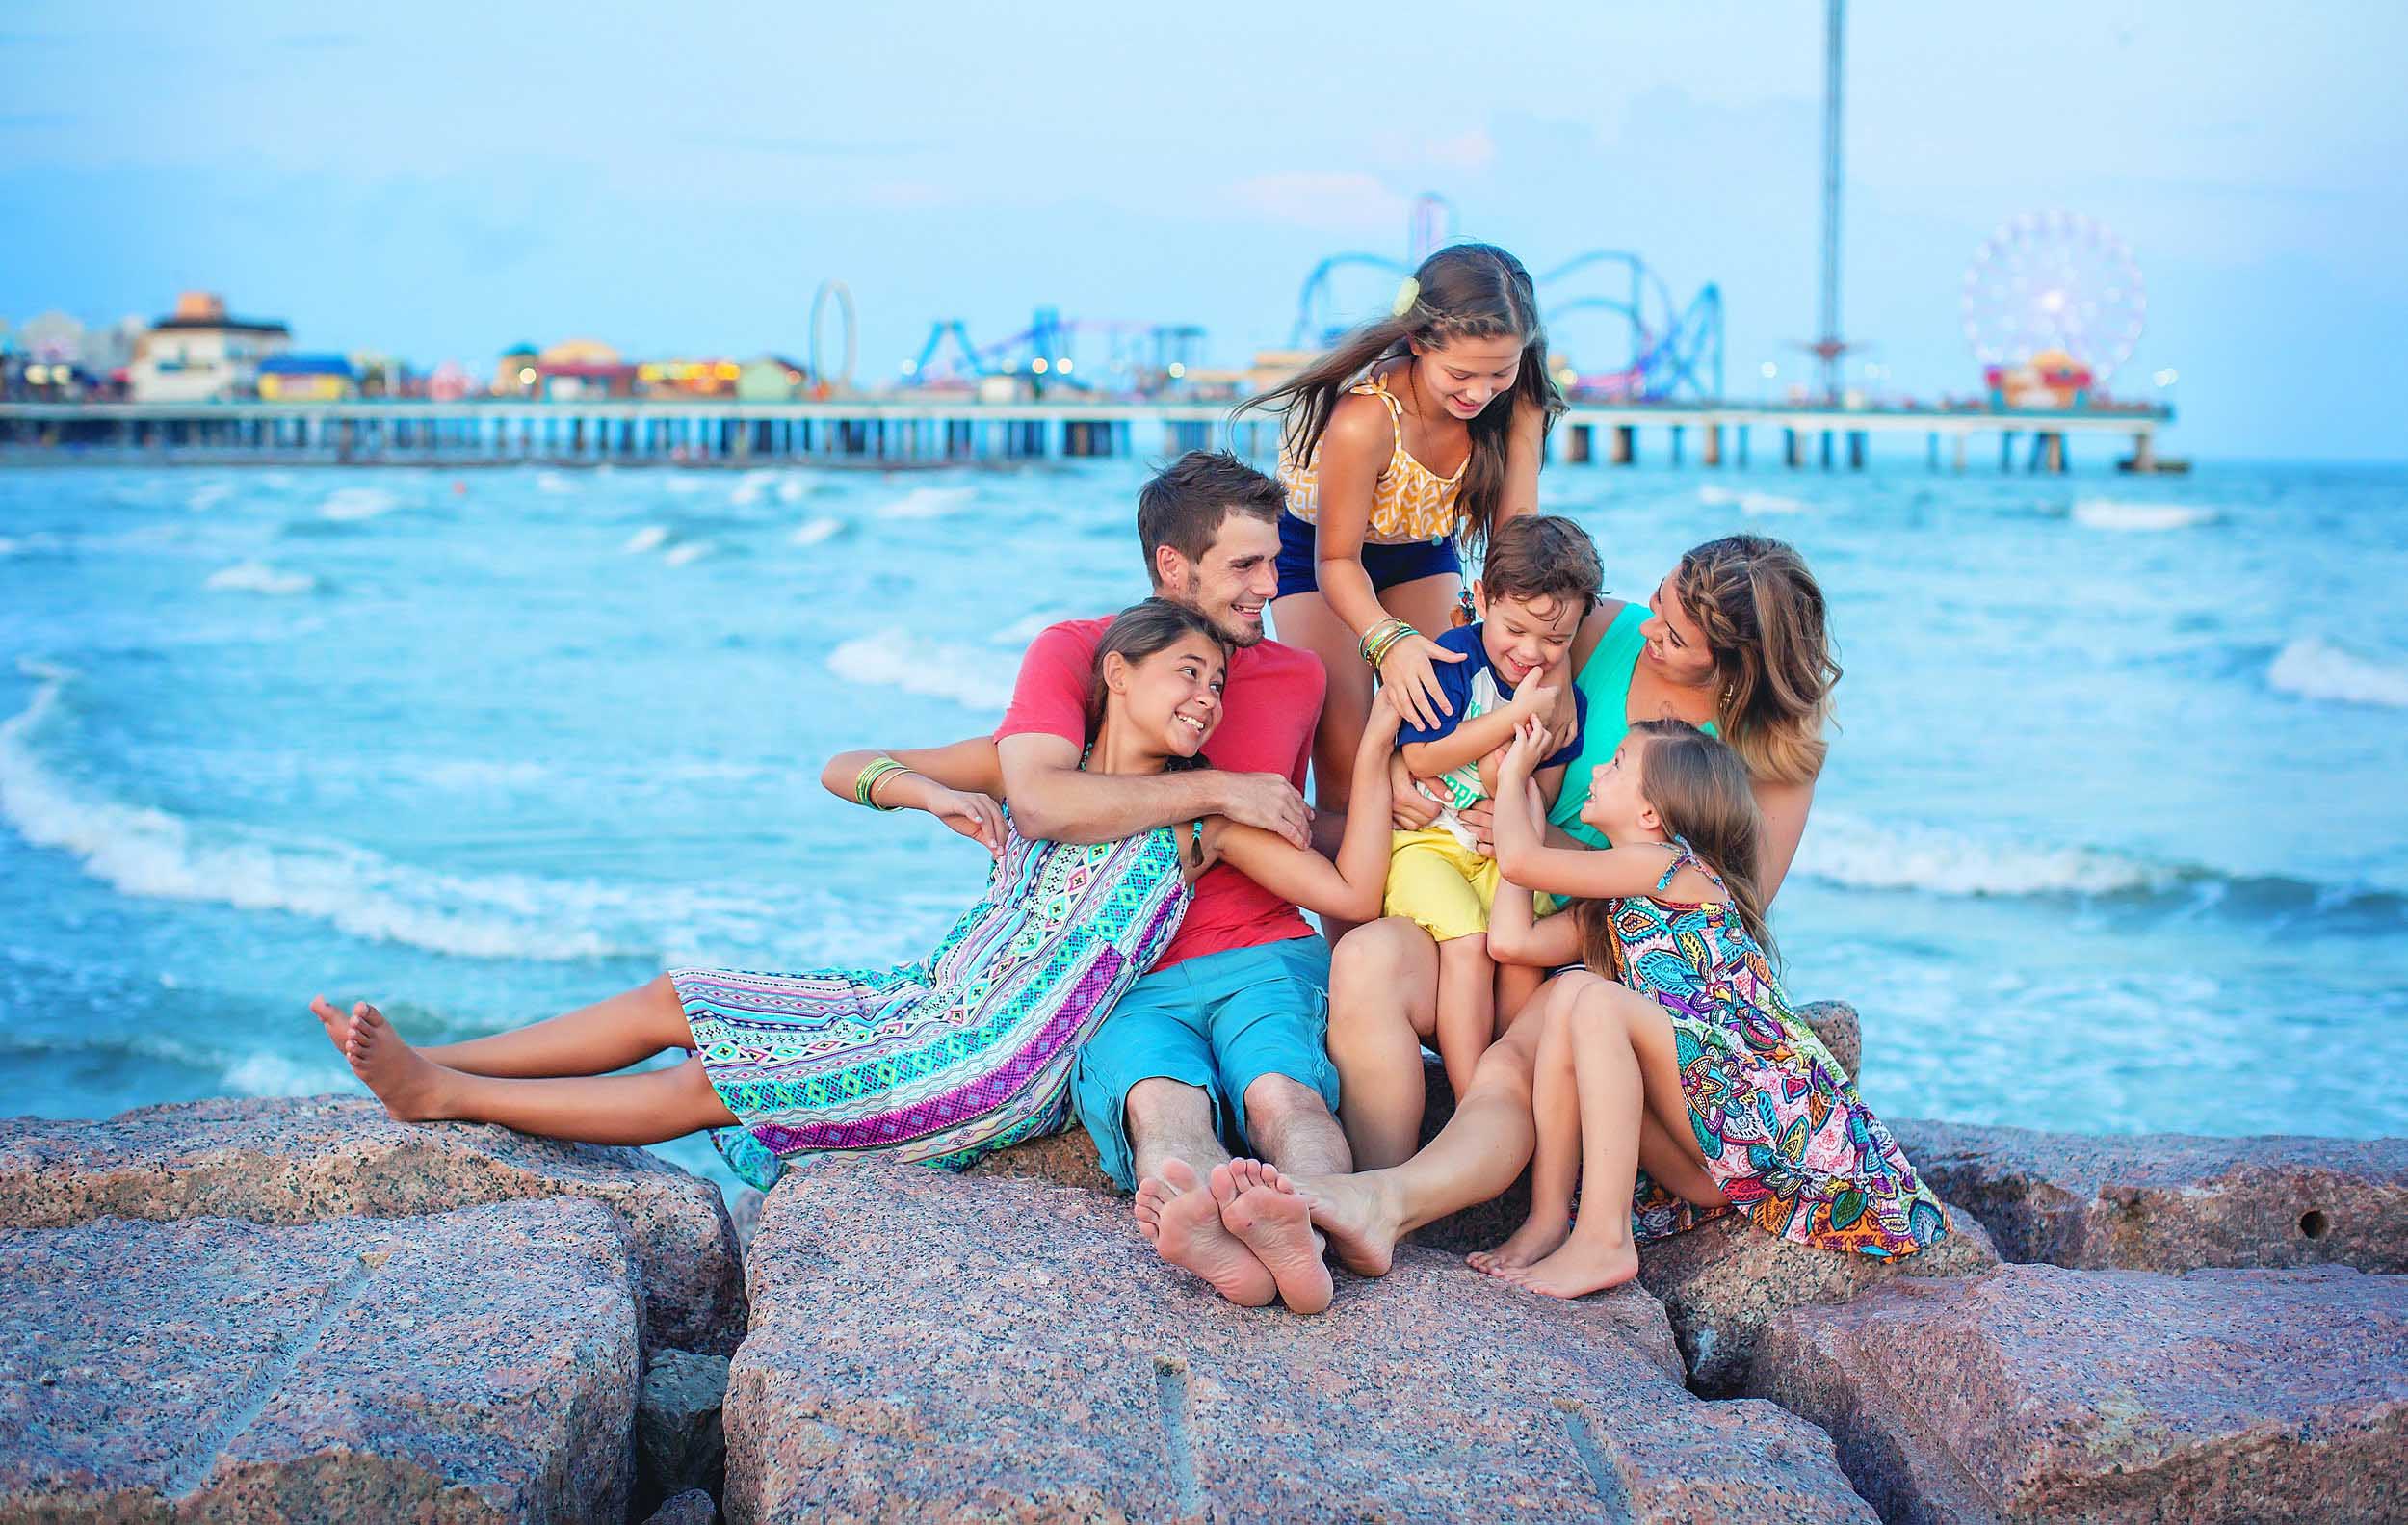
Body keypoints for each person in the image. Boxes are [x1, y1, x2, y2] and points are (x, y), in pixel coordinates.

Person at [303, 600, 1294, 1185]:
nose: (1206, 699)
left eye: (1218, 685)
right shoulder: (1036, 766)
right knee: (673, 999)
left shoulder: (1192, 814)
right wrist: (928, 790)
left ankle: (440, 1092)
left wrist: (1404, 776)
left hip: (993, 1054)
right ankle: (435, 1060)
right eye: (1188, 673)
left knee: (709, 1088)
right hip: (923, 998)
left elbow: (1328, 857)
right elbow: (843, 763)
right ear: (1115, 674)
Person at [842, 451, 1374, 1315]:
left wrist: (1440, 817)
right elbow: (1042, 799)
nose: (1272, 587)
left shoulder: (1300, 675)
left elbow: (1319, 822)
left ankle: (1305, 1231)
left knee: (1287, 1093)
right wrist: (1215, 789)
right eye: (1246, 565)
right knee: (1162, 1105)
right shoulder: (1086, 655)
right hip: (1124, 975)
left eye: (1275, 562)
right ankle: (1211, 1232)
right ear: (1174, 565)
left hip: (1266, 952)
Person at [1327, 533, 1842, 1170]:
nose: (1649, 626)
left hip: (1592, 945)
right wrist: (1405, 772)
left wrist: (1541, 846)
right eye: (1658, 600)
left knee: (1534, 1031)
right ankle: (1373, 1200)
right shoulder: (1590, 629)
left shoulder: (1777, 754)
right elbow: (1478, 652)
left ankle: (1460, 1187)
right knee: (1366, 960)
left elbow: (1719, 915)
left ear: (1740, 667)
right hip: (1479, 882)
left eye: (1676, 638)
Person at [1461, 718, 1946, 1297]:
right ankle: (1547, 1222)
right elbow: (1512, 942)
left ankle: (1602, 1241)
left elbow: (1519, 863)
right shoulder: (1619, 900)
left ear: (1651, 815)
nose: (1597, 770)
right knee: (1571, 992)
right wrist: (1527, 823)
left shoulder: (1671, 865)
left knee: (1592, 1001)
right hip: (1701, 1167)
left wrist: (1516, 777)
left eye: (1616, 764)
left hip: (1751, 1115)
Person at [1243, 242, 1563, 821]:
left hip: (1420, 550)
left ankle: (1430, 901)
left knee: (1445, 729)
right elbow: (1336, 560)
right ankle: (1354, 913)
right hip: (1322, 557)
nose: (1478, 393)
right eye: (1460, 374)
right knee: (1346, 765)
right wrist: (1385, 641)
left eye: (1499, 372)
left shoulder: (1517, 404)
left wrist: (1524, 639)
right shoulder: (1367, 418)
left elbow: (1515, 540)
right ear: (1418, 343)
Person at [1384, 513, 1595, 1102]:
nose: (1531, 652)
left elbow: (1544, 798)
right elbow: (1423, 759)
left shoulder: (1564, 701)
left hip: (1501, 846)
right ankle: (1472, 1096)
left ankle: (1512, 1070)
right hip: (1430, 844)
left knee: (1524, 933)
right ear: (1480, 599)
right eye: (1515, 629)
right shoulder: (1455, 659)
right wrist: (1505, 726)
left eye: (1555, 640)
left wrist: (1513, 778)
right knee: (1470, 940)